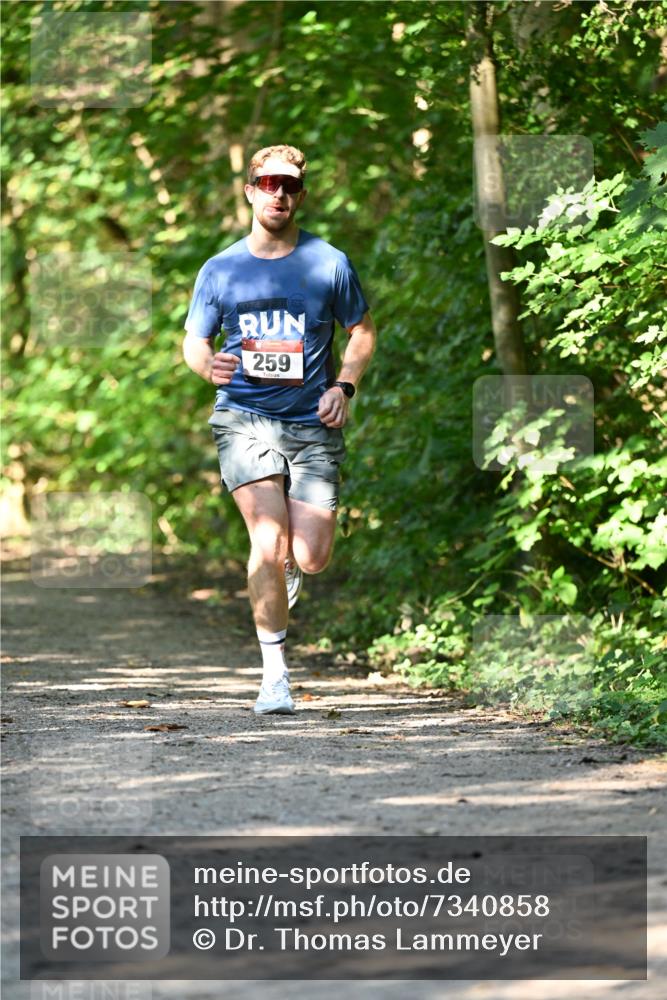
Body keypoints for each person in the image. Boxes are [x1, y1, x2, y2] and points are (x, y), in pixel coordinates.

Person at [183, 144, 376, 715]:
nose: (278, 193)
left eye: (289, 186)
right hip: (243, 417)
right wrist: (206, 364)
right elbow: (195, 341)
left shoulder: (329, 263)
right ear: (249, 191)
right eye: (268, 183)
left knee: (310, 555)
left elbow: (361, 331)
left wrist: (344, 385)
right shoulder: (220, 269)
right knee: (266, 542)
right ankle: (274, 678)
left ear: (301, 196)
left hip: (312, 423)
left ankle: (291, 561)